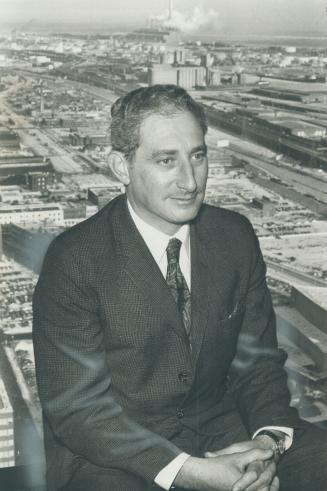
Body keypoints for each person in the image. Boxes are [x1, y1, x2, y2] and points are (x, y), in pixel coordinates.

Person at [33, 85, 327, 491]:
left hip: (224, 432)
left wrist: (266, 446)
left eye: (198, 156)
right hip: (118, 455)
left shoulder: (235, 236)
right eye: (166, 160)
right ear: (121, 166)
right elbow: (79, 409)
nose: (189, 181)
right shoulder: (74, 260)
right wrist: (187, 472)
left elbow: (257, 363)